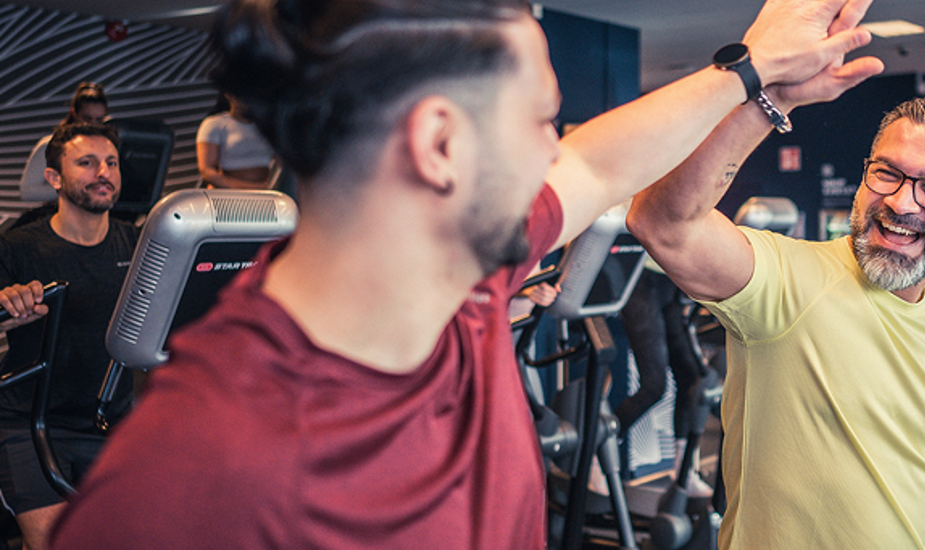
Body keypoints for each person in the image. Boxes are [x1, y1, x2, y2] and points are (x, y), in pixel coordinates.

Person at [48, 0, 878, 548]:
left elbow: (596, 163)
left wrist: (757, 73)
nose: (556, 149)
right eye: (540, 121)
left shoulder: (465, 280)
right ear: (440, 148)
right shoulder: (196, 480)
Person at [630, 93, 925, 547]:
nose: (901, 202)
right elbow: (661, 222)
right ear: (863, 179)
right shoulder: (787, 278)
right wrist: (767, 96)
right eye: (887, 173)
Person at [0, 123, 138, 550]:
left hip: (113, 424)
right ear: (54, 178)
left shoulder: (139, 247)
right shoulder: (17, 247)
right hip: (30, 423)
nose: (104, 172)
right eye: (87, 162)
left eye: (111, 162)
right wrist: (5, 310)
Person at [615, 259, 708, 495]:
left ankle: (684, 470)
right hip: (639, 278)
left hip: (670, 276)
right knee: (653, 387)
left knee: (693, 379)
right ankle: (597, 453)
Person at [19, 83, 110, 203]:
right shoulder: (49, 145)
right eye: (87, 119)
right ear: (74, 113)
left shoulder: (107, 149)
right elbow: (27, 191)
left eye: (99, 120)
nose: (92, 126)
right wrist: (72, 189)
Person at [196, 93, 278, 189]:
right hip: (229, 196)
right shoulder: (214, 124)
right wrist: (251, 188)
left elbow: (283, 163)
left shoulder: (267, 124)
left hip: (266, 194)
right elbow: (207, 171)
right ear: (229, 95)